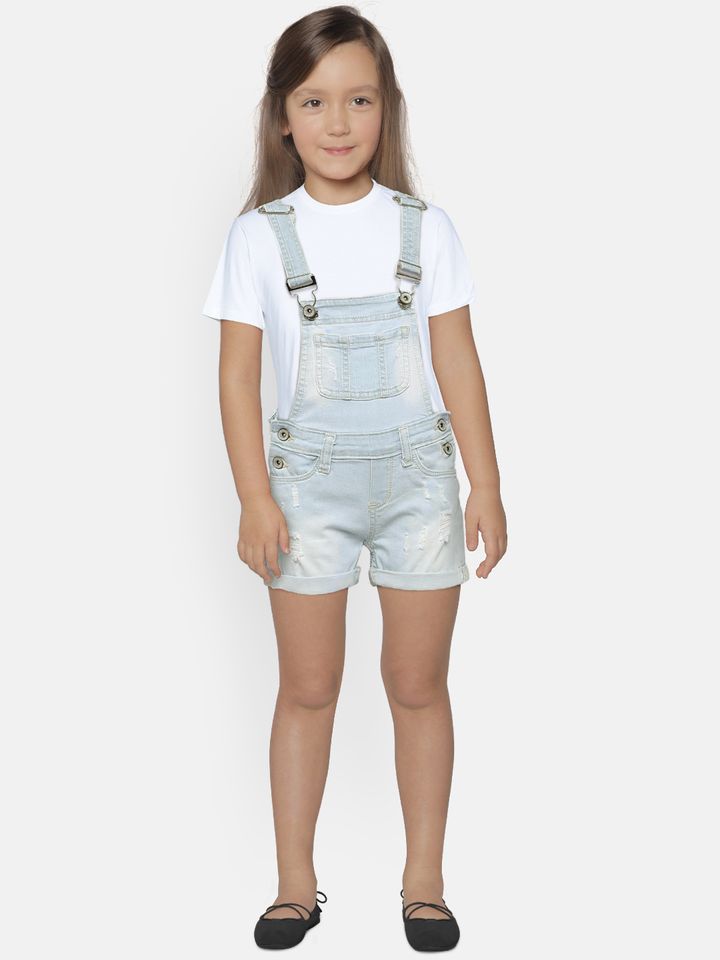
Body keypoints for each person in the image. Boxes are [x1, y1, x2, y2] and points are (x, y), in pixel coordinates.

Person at [201, 5, 507, 951]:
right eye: (315, 101)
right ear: (282, 118)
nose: (338, 123)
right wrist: (255, 495)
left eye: (359, 100)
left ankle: (425, 882)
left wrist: (486, 483)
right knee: (308, 686)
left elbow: (457, 360)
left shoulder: (426, 228)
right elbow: (238, 378)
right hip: (305, 492)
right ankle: (295, 883)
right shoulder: (260, 237)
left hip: (419, 483)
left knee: (418, 683)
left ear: (388, 110)